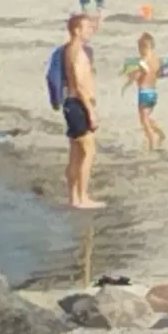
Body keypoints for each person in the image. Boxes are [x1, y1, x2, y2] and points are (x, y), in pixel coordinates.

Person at [62, 14, 104, 209]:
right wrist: (90, 110)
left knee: (76, 153)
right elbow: (79, 84)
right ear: (77, 30)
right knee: (88, 151)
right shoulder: (76, 52)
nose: (91, 30)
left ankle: (73, 197)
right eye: (87, 27)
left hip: (71, 103)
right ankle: (82, 197)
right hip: (78, 103)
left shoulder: (69, 49)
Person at [123, 32, 166, 152]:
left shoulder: (144, 61)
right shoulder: (156, 59)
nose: (139, 51)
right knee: (146, 117)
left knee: (144, 120)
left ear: (146, 47)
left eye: (140, 47)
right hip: (153, 92)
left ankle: (152, 140)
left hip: (144, 93)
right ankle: (160, 133)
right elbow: (155, 72)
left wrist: (129, 79)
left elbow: (142, 73)